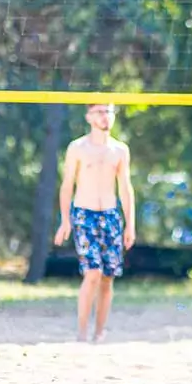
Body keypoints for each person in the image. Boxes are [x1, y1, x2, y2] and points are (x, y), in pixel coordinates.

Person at [54, 103, 136, 343]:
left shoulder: (119, 150)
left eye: (109, 111)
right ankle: (81, 333)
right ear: (89, 117)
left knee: (108, 276)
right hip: (84, 214)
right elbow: (67, 184)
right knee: (92, 272)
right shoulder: (78, 148)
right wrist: (65, 220)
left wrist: (130, 225)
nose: (105, 117)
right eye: (100, 112)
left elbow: (126, 189)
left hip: (110, 215)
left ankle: (99, 333)